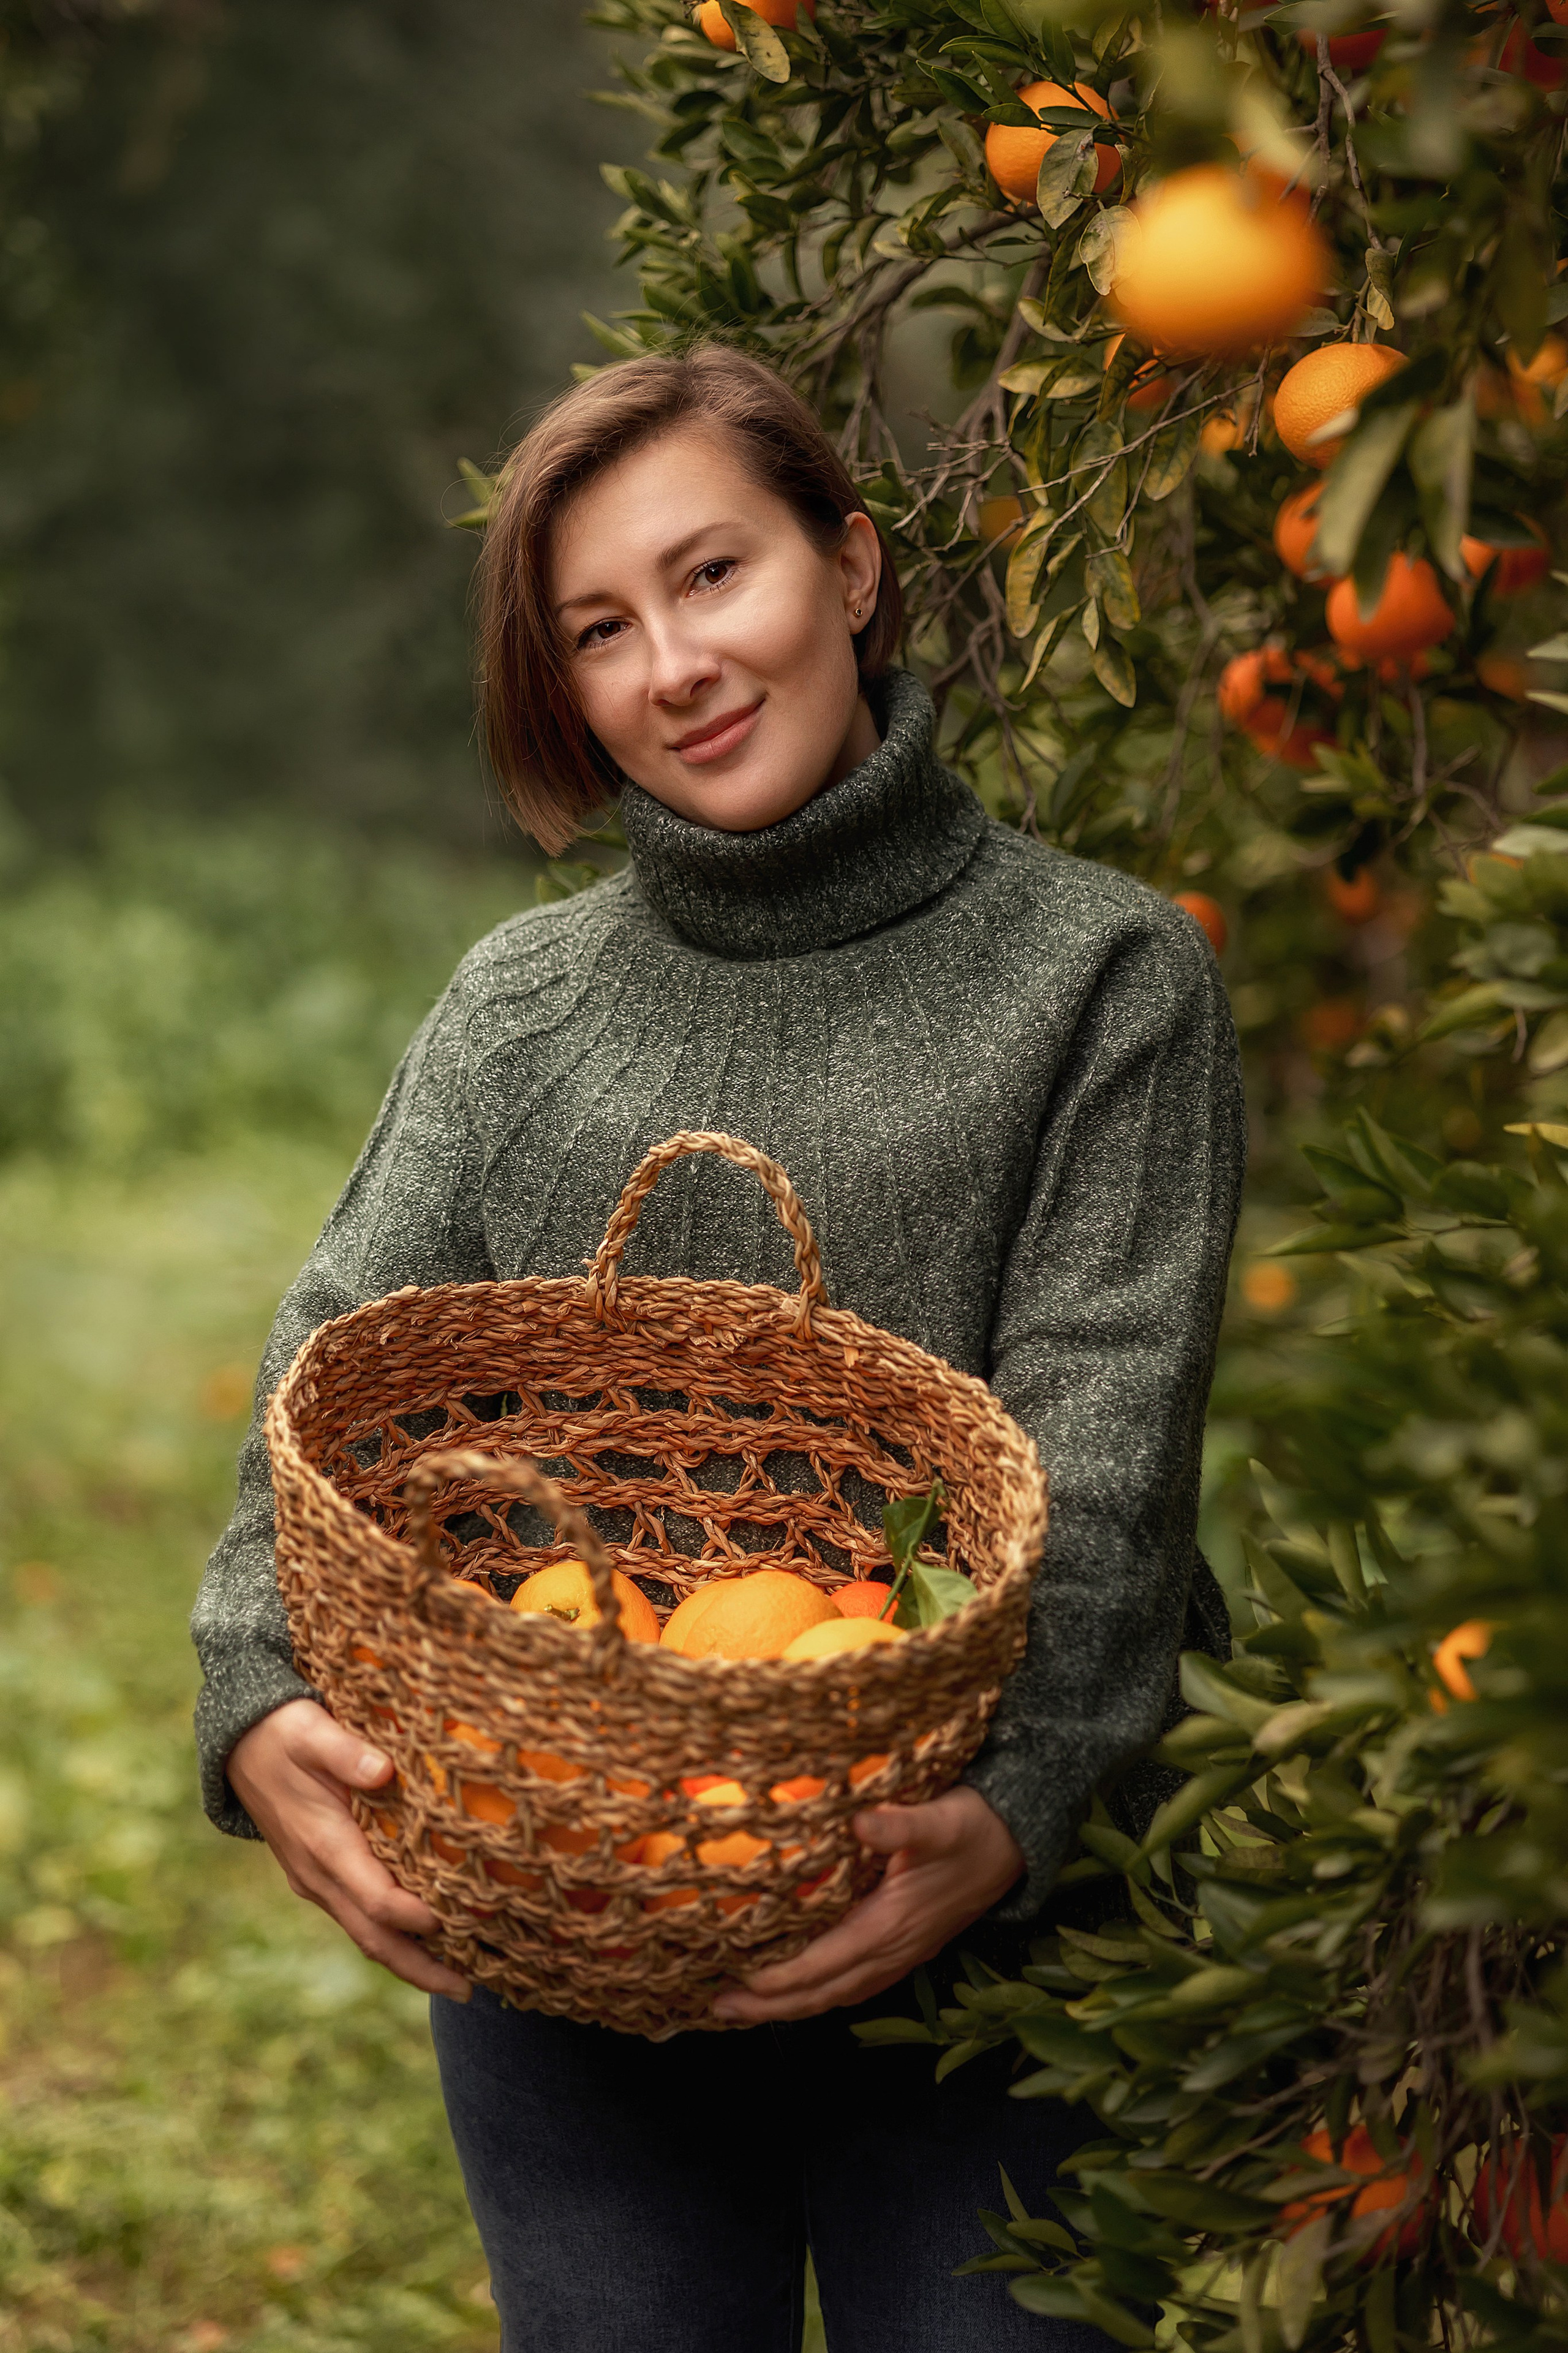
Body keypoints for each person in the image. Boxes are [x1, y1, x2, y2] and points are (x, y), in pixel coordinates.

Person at [192, 342, 1245, 2352]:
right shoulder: (521, 1004)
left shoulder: (1103, 975)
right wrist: (255, 1684)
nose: (673, 665)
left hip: (987, 1936)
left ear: (849, 564)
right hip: (576, 1907)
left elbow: (1106, 1453)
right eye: (601, 628)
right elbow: (328, 1367)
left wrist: (1013, 1803)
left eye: (711, 573)